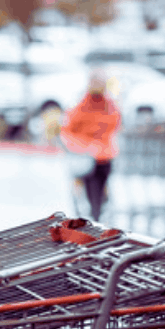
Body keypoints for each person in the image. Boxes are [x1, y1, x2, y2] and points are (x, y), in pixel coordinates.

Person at [59, 70, 122, 220]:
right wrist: (85, 144)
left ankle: (96, 213)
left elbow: (114, 123)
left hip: (103, 155)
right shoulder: (82, 105)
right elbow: (69, 130)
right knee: (92, 187)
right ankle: (95, 213)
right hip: (88, 156)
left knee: (98, 186)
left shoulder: (108, 105)